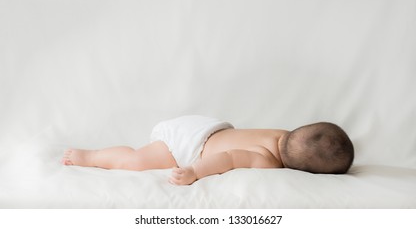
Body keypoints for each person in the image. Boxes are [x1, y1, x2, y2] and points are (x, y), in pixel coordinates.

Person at [61, 115, 354, 185]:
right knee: (135, 162)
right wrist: (193, 171)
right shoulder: (266, 161)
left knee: (139, 158)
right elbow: (225, 159)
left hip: (206, 126)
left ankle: (95, 156)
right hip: (187, 145)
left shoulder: (282, 134)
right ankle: (92, 157)